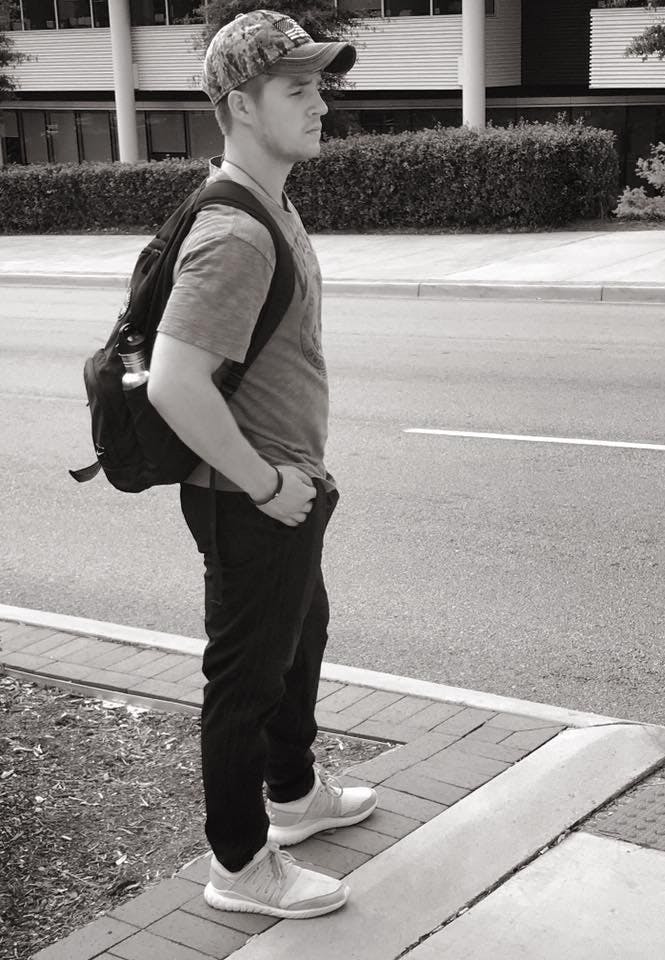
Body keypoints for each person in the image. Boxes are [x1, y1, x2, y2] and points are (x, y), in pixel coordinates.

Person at [147, 9, 376, 920]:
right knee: (244, 680)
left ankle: (293, 797)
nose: (321, 105)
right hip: (253, 499)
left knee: (300, 641)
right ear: (241, 104)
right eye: (298, 88)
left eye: (321, 85)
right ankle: (240, 867)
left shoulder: (270, 198)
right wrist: (267, 484)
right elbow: (174, 382)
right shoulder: (238, 231)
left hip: (285, 489)